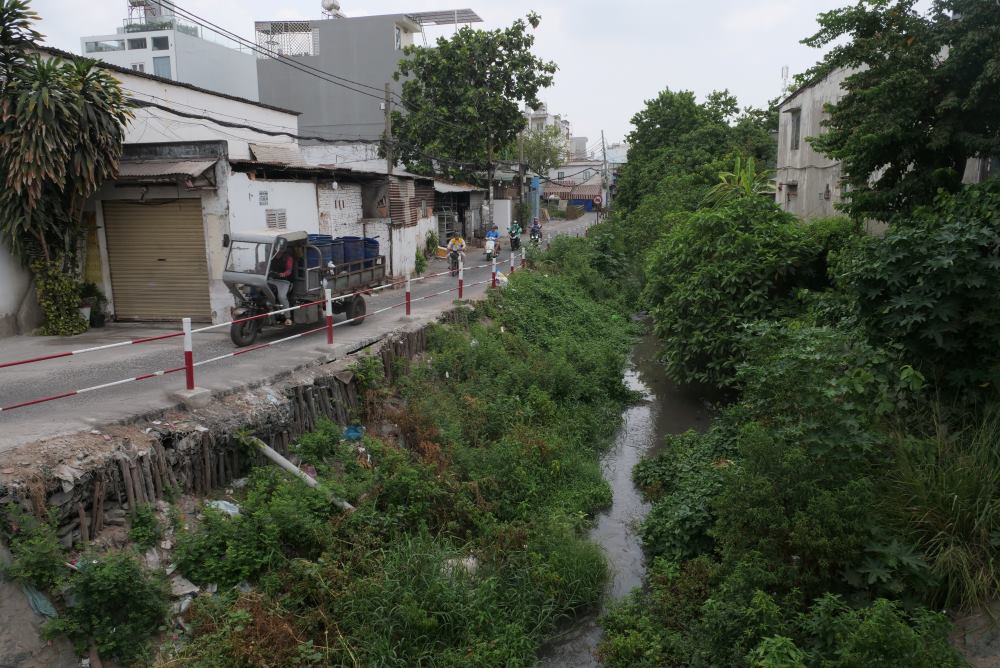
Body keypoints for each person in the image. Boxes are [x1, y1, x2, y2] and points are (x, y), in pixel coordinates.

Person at [269, 248, 294, 325]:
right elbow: (265, 265)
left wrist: (283, 274)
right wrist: (260, 266)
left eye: (280, 249)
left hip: (284, 281)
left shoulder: (288, 258)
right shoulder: (271, 256)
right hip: (272, 279)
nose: (278, 251)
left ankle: (288, 318)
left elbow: (289, 271)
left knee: (282, 297)